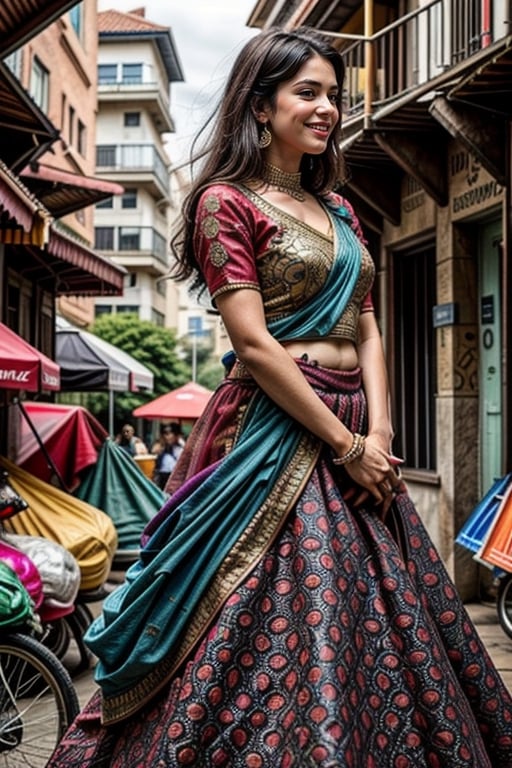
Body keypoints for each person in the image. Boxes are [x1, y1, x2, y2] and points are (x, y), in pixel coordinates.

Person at [47, 26, 512, 767]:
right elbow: (256, 346)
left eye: (333, 94)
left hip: (359, 429)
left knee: (386, 612)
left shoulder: (343, 211)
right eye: (309, 92)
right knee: (295, 599)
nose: (328, 108)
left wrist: (382, 434)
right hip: (275, 430)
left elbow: (368, 324)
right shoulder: (224, 203)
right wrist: (344, 445)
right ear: (261, 107)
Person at [151, 422, 185, 490]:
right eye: (165, 434)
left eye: (169, 434)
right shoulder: (162, 448)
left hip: (174, 478)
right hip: (162, 478)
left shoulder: (180, 450)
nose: (166, 437)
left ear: (176, 436)